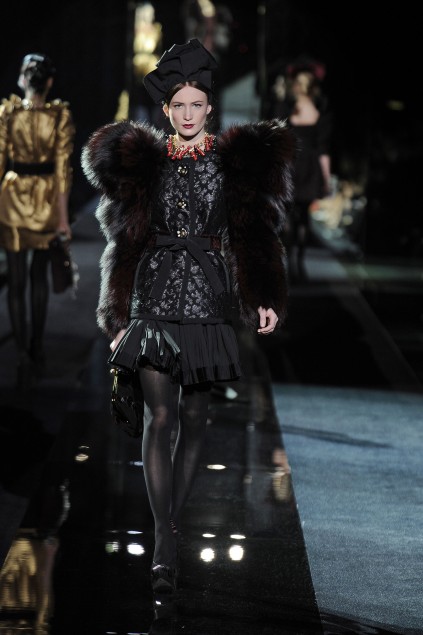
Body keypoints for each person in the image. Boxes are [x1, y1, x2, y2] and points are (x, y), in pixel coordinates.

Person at [81, 38, 295, 593]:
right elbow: (124, 241)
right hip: (153, 298)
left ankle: (171, 523)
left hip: (209, 301)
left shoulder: (232, 166)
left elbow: (253, 233)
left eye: (196, 105)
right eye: (178, 105)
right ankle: (164, 540)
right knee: (162, 418)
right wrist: (117, 312)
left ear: (209, 108)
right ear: (166, 109)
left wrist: (264, 295)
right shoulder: (146, 166)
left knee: (197, 419)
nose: (187, 114)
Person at [0, 53, 75, 389]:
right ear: (49, 83)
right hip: (45, 200)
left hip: (12, 198)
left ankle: (21, 353)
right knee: (39, 277)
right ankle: (37, 346)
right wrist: (63, 219)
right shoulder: (60, 115)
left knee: (16, 280)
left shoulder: (8, 113)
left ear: (23, 79)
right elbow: (63, 170)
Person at [270, 58, 332, 280]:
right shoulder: (320, 112)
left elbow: (277, 141)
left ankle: (288, 263)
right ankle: (299, 263)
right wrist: (326, 180)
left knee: (287, 216)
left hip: (291, 165)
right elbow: (323, 150)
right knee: (304, 218)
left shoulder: (286, 109)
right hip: (310, 170)